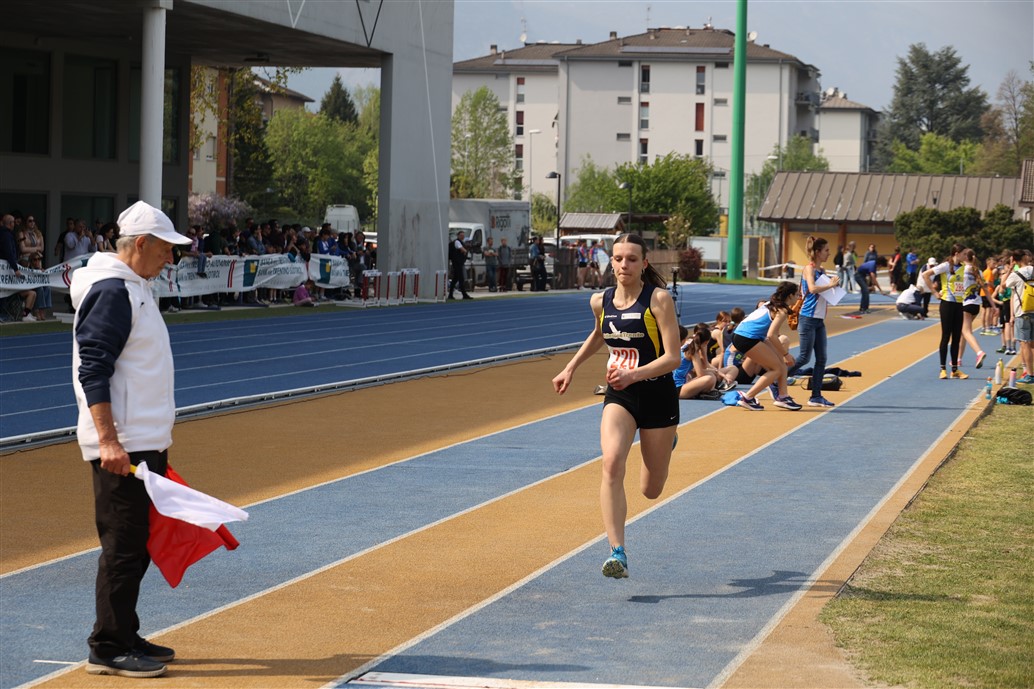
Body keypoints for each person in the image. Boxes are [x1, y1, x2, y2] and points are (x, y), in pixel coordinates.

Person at [70, 201, 192, 679]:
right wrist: (109, 442)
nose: (170, 259)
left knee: (139, 544)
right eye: (165, 249)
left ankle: (124, 631)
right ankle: (107, 646)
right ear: (140, 244)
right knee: (123, 546)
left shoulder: (136, 288)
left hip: (144, 441)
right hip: (122, 446)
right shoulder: (112, 291)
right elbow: (93, 369)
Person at [552, 233, 681, 579]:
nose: (625, 265)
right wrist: (570, 367)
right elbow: (599, 333)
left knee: (651, 490)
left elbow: (673, 358)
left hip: (658, 396)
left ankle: (666, 440)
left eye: (632, 259)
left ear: (644, 263)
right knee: (610, 464)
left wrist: (634, 374)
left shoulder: (658, 299)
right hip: (620, 395)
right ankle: (617, 552)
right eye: (619, 258)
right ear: (611, 262)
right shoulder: (600, 301)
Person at [731, 281, 802, 411]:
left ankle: (783, 397)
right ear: (790, 295)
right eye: (797, 294)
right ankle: (748, 398)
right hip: (746, 337)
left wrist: (782, 355)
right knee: (776, 369)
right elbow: (771, 335)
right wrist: (786, 354)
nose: (799, 297)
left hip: (745, 335)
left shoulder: (771, 304)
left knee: (781, 364)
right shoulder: (781, 311)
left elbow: (770, 334)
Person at [788, 236, 840, 408]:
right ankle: (775, 379)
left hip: (818, 320)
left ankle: (816, 396)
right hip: (808, 318)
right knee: (804, 357)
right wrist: (830, 285)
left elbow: (823, 291)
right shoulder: (809, 269)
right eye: (826, 250)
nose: (829, 253)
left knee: (821, 359)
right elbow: (812, 289)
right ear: (817, 252)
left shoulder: (821, 270)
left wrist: (834, 287)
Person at [922, 244, 969, 380]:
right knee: (946, 336)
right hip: (947, 304)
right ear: (956, 253)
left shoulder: (964, 267)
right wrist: (934, 292)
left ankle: (955, 369)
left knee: (957, 337)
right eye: (964, 254)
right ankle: (942, 369)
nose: (965, 256)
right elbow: (925, 275)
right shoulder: (945, 266)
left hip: (959, 304)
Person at [1004, 249, 1034, 383]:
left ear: (1015, 260)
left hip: (1022, 311)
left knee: (1024, 343)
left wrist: (1010, 268)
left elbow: (1002, 286)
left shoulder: (1015, 274)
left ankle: (1030, 374)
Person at [448, 230, 472, 299]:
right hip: (457, 263)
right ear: (458, 236)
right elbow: (462, 249)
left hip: (459, 263)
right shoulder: (457, 242)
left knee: (455, 279)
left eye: (463, 235)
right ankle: (464, 294)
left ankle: (450, 295)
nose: (462, 236)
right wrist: (465, 251)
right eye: (461, 235)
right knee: (461, 279)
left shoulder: (461, 242)